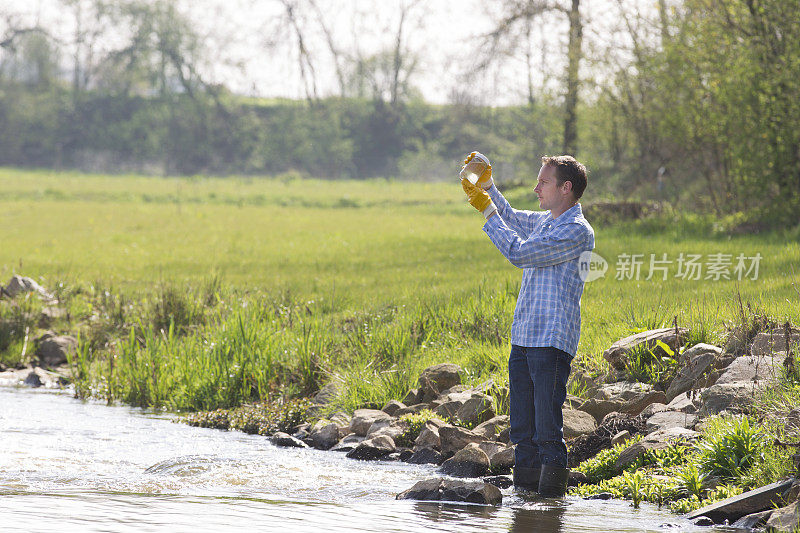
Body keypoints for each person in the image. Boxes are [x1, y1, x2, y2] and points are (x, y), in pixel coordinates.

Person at [460, 153, 595, 497]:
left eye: (543, 182)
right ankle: (525, 506)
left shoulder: (576, 231)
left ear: (566, 188)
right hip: (524, 338)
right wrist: (487, 186)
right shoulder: (548, 220)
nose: (536, 188)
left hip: (551, 341)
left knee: (546, 430)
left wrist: (486, 211)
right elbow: (514, 219)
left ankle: (550, 508)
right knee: (521, 429)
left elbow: (519, 253)